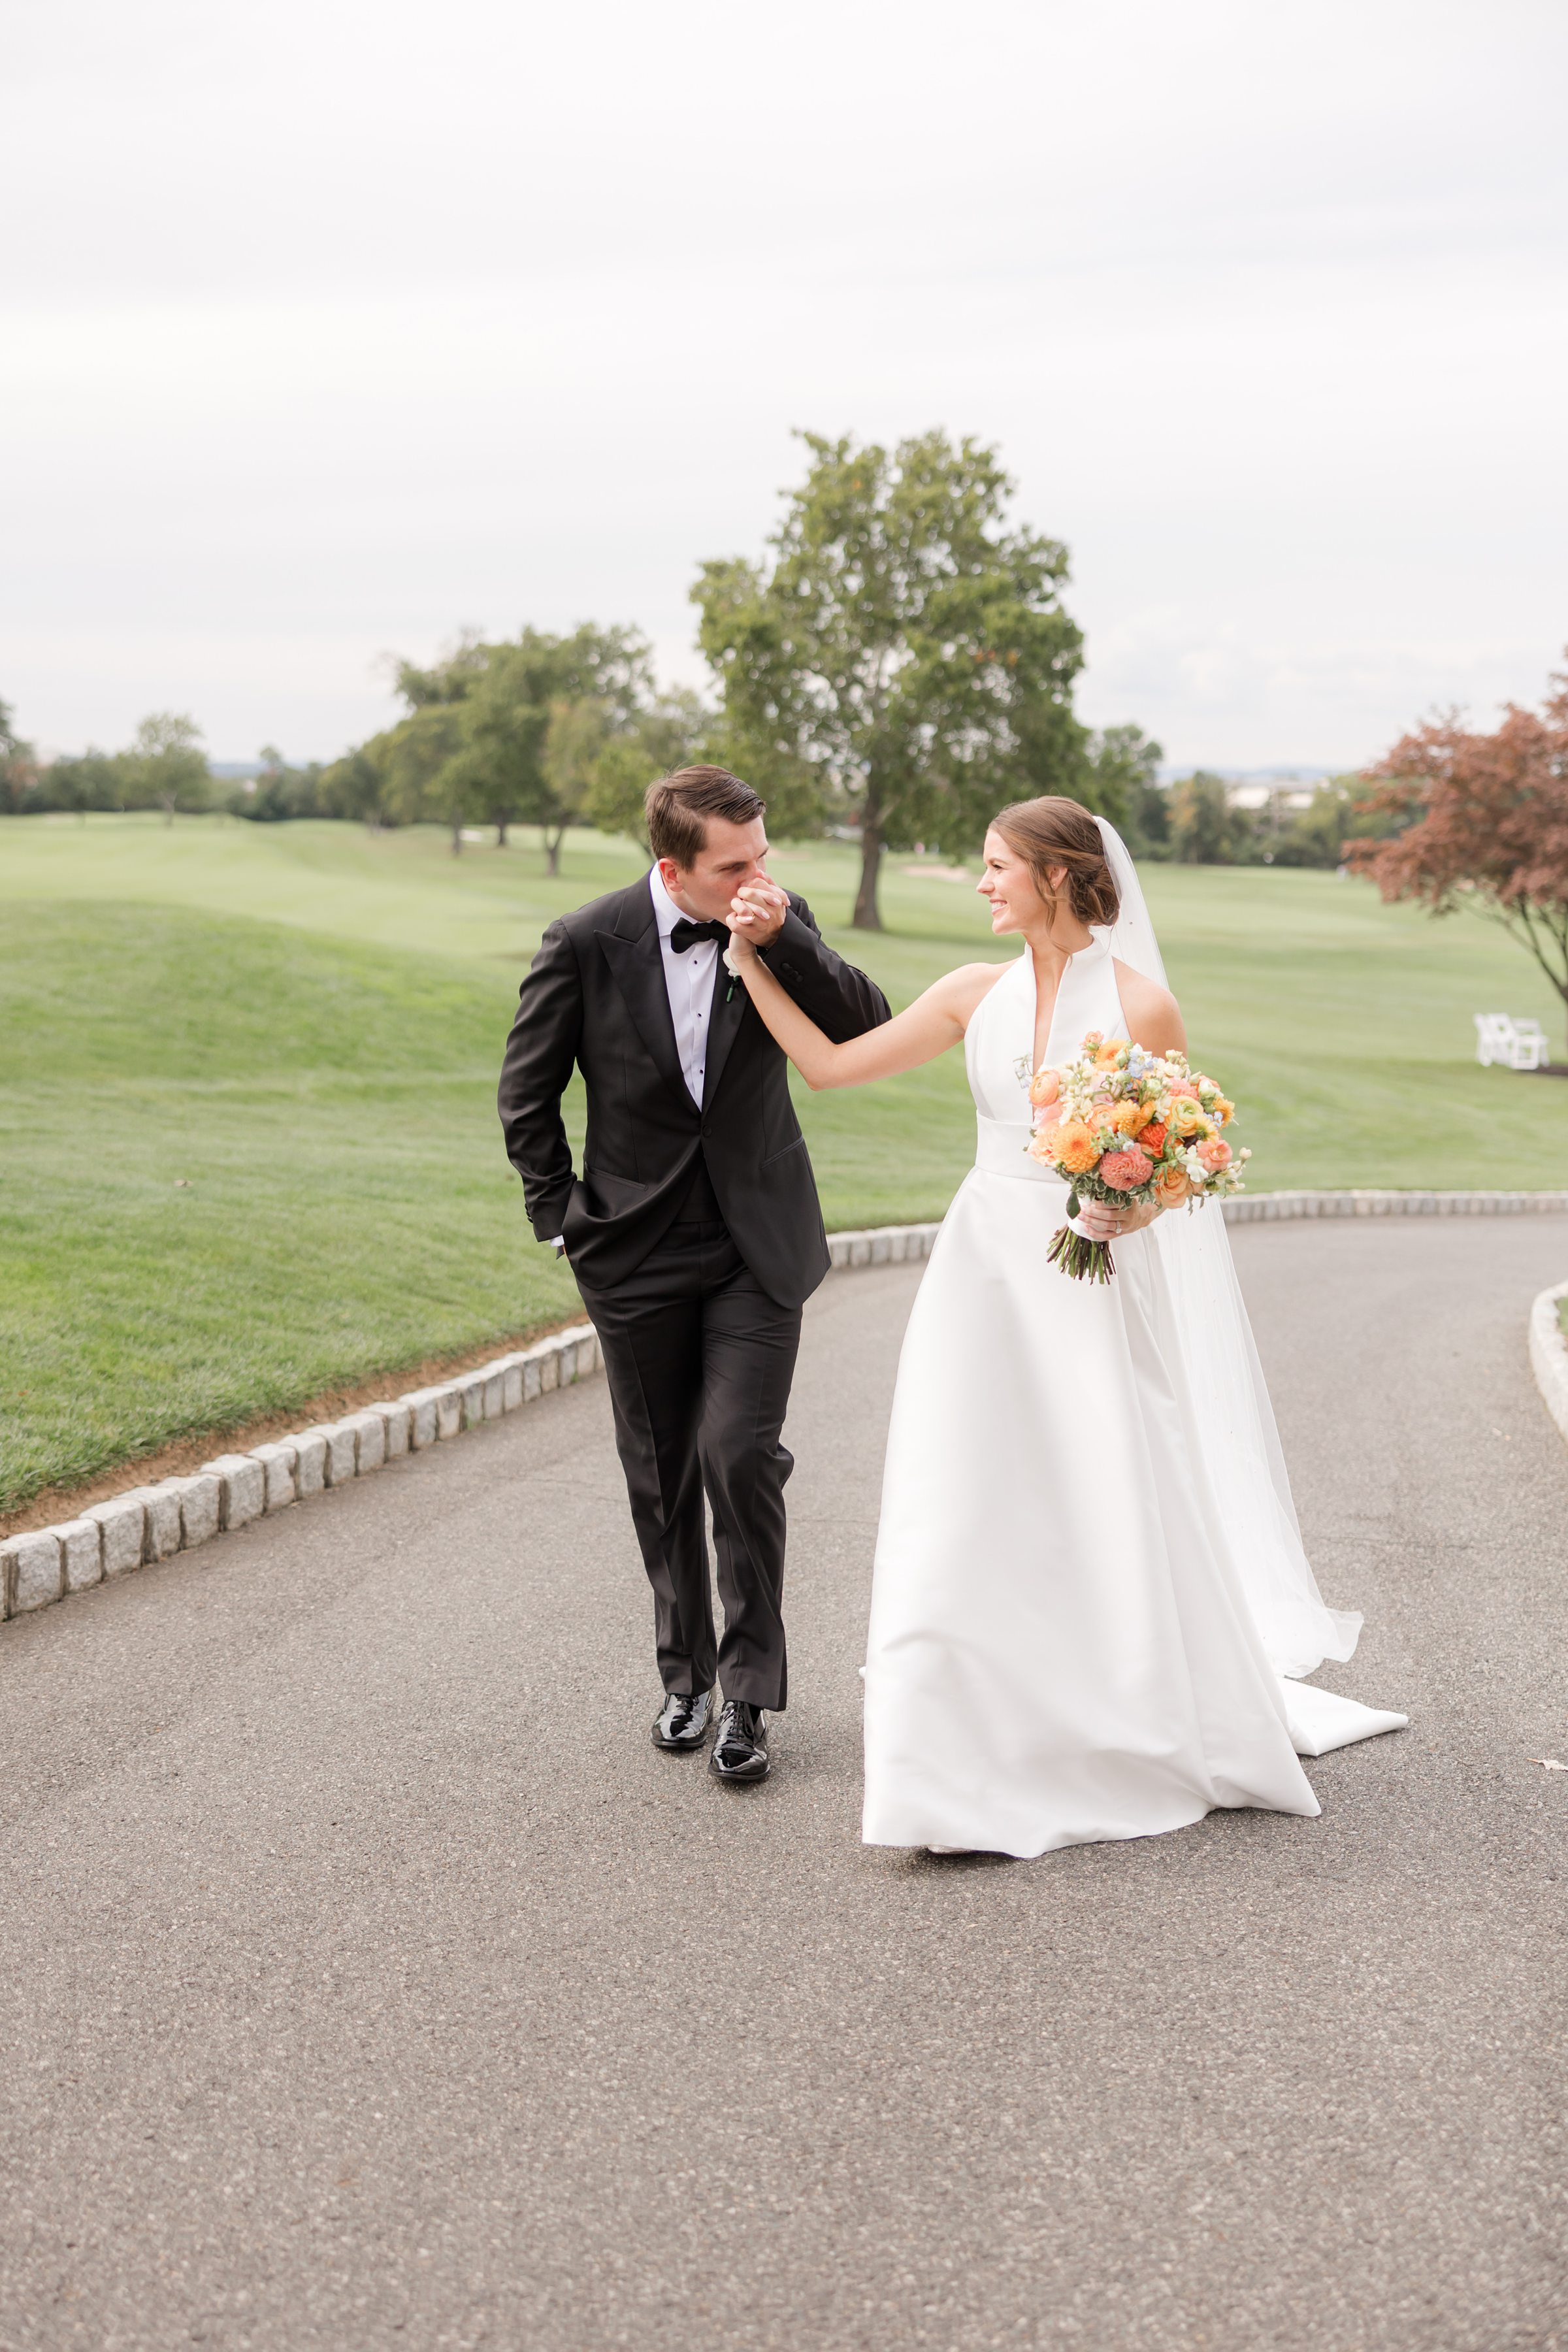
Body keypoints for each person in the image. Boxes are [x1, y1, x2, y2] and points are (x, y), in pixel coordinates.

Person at [723, 795, 1405, 1857]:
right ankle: (949, 1752)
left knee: (1103, 1481)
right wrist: (753, 965)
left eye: (997, 866)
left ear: (1054, 875)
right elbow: (830, 1067)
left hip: (1088, 1284)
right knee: (962, 1487)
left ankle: (1120, 1710)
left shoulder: (1143, 1005)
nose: (983, 882)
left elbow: (1188, 1162)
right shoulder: (969, 992)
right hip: (982, 1269)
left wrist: (1132, 1201)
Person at [497, 766, 890, 1783]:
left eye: (764, 854)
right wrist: (563, 1221)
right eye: (736, 865)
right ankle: (685, 1676)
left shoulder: (777, 918)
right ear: (674, 868)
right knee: (665, 1466)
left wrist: (784, 936)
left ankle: (749, 1697)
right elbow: (525, 1096)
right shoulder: (585, 942)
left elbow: (864, 1025)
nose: (759, 874)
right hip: (631, 1250)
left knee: (739, 1453)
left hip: (757, 1243)